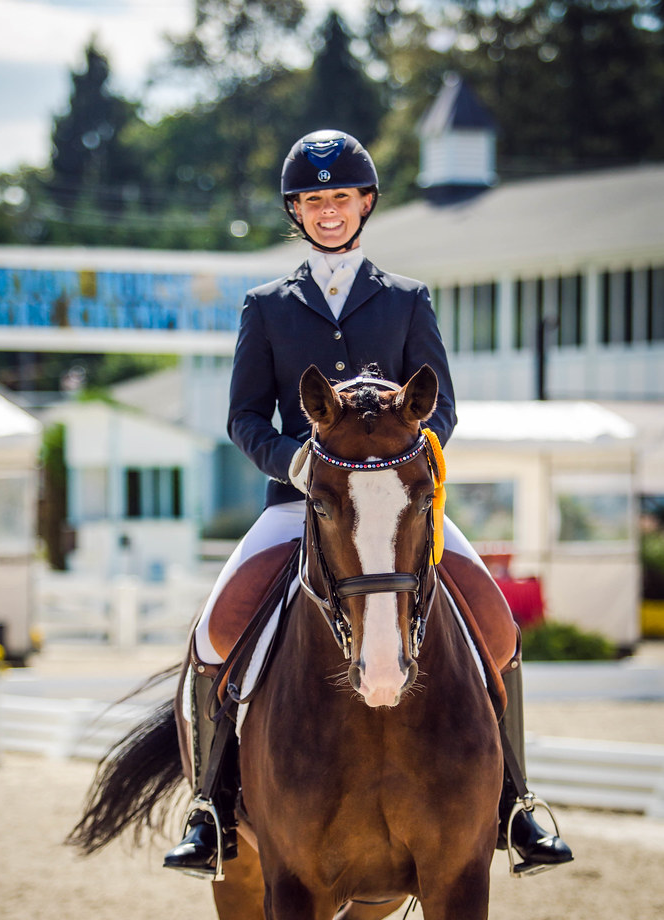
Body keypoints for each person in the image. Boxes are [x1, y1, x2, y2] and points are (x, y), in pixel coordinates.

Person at [164, 129, 573, 879]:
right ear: (297, 210)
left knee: (498, 626)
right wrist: (297, 463)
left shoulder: (408, 300)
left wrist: (409, 467)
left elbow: (441, 406)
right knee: (217, 629)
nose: (328, 211)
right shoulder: (266, 307)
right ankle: (210, 808)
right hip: (302, 502)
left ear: (365, 204)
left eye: (340, 198)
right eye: (314, 200)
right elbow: (244, 417)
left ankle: (516, 803)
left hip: (400, 504)